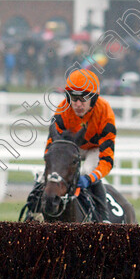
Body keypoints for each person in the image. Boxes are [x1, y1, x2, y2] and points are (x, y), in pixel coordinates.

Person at [45, 69, 116, 221]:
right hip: (69, 149)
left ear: (94, 98)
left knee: (85, 171)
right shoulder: (62, 110)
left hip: (93, 149)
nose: (77, 104)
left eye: (83, 99)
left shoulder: (105, 113)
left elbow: (107, 161)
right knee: (44, 178)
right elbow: (50, 150)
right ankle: (33, 212)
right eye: (73, 98)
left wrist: (90, 178)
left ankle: (103, 218)